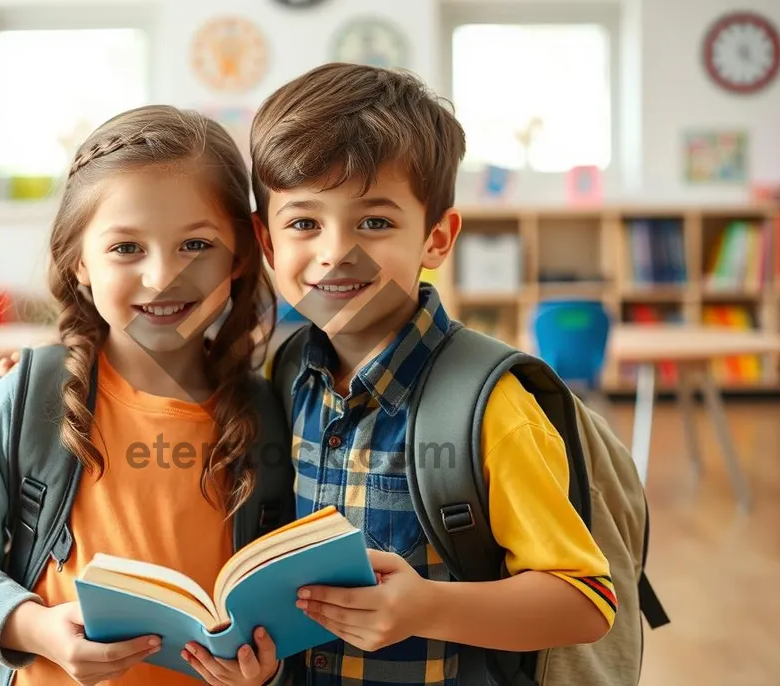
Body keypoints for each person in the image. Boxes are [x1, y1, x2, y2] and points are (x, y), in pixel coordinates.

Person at [245, 62, 615, 683]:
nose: (337, 250)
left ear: (437, 239)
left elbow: (585, 603)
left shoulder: (488, 405)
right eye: (304, 222)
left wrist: (427, 608)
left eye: (375, 221)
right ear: (267, 243)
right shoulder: (286, 373)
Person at [0, 105, 284, 686]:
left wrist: (264, 671)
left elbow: (280, 606)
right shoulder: (30, 397)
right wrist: (34, 628)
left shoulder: (269, 412)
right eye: (127, 249)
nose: (162, 276)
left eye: (196, 245)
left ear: (239, 256)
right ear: (79, 261)